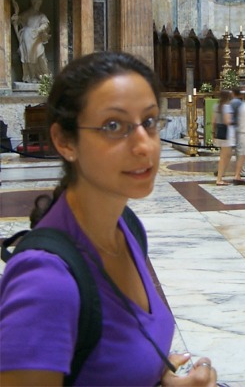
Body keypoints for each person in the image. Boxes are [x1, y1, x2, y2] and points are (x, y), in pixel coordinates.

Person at [0, 51, 217, 386]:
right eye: (114, 126)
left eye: (148, 122)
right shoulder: (45, 283)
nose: (144, 146)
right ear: (64, 141)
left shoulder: (127, 226)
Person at [11, 0, 50, 82]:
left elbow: (45, 24)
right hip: (27, 36)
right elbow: (17, 21)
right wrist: (16, 18)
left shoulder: (41, 15)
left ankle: (43, 76)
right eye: (36, 4)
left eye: (39, 4)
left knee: (41, 56)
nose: (38, 6)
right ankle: (31, 77)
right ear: (33, 4)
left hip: (37, 38)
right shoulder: (26, 14)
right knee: (28, 57)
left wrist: (39, 30)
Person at [212, 89, 236, 186]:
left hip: (219, 132)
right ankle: (219, 178)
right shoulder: (227, 107)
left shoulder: (216, 106)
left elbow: (213, 121)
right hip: (227, 133)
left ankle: (222, 174)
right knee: (223, 156)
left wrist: (213, 133)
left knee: (228, 154)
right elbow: (227, 121)